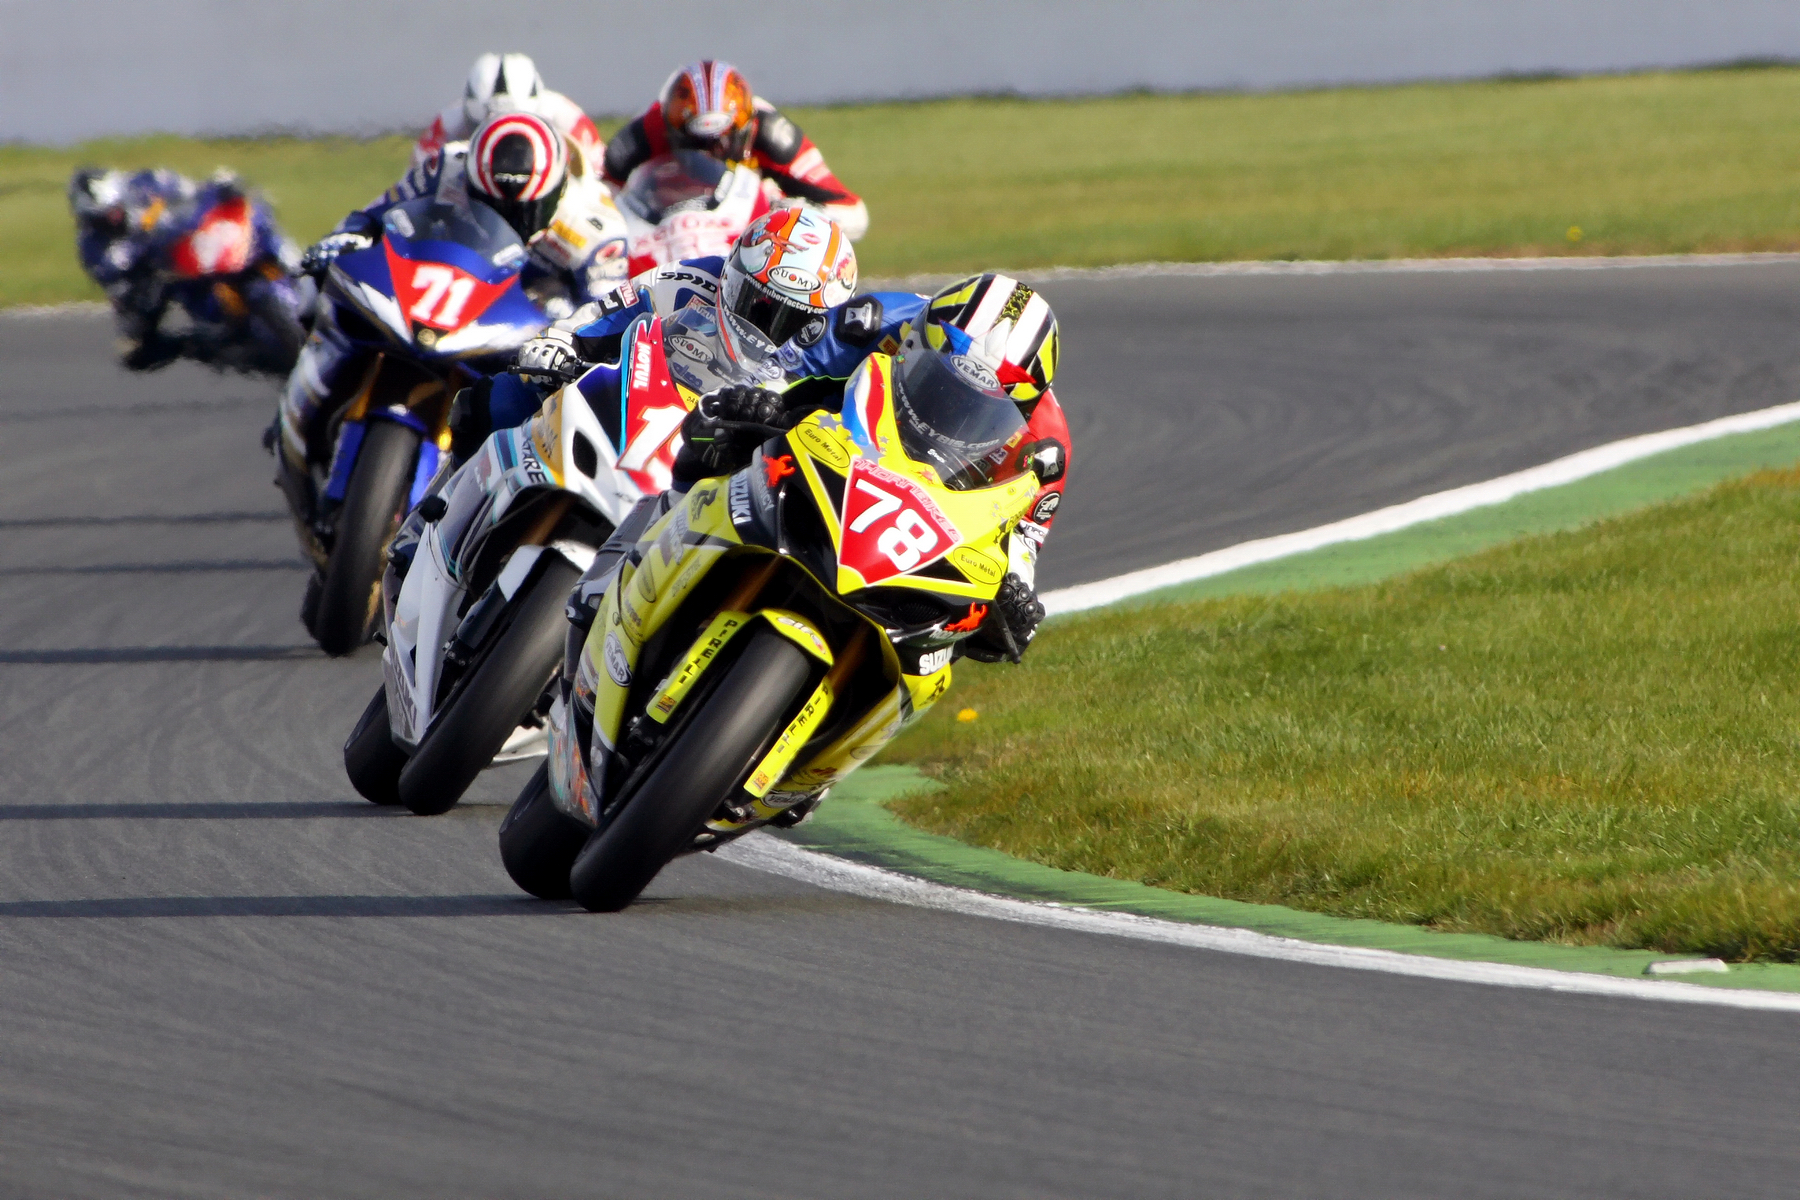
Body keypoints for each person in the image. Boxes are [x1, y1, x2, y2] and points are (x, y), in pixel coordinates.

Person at [300, 109, 629, 315]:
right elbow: (377, 213)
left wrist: (561, 328)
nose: (506, 220)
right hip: (443, 286)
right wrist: (346, 236)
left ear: (554, 193)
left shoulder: (597, 233)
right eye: (490, 204)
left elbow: (607, 320)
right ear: (471, 178)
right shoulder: (446, 167)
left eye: (521, 212)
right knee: (323, 293)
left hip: (529, 320)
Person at [602, 60, 868, 241]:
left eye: (722, 142)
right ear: (671, 132)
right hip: (670, 239)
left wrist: (789, 210)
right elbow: (599, 196)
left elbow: (854, 213)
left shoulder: (774, 136)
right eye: (696, 143)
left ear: (747, 129)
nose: (710, 154)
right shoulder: (645, 133)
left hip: (748, 241)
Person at [70, 166, 302, 372]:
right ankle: (230, 349)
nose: (113, 218)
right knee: (142, 350)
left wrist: (222, 185)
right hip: (171, 275)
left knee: (254, 212)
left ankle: (299, 267)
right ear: (87, 218)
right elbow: (119, 285)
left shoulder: (147, 182)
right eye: (103, 216)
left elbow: (193, 192)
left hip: (194, 240)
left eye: (115, 209)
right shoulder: (92, 247)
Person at [412, 52, 602, 170]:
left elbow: (603, 180)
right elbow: (416, 180)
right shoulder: (448, 121)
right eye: (485, 128)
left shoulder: (568, 117)